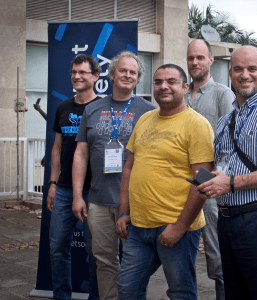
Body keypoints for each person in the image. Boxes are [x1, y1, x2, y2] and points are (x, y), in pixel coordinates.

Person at [197, 45, 257, 300]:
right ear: (230, 72)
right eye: (238, 69)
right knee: (235, 293)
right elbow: (221, 164)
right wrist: (204, 182)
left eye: (252, 69)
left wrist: (230, 184)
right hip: (227, 221)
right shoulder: (225, 119)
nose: (245, 75)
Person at [115, 64, 214, 300]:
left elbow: (203, 180)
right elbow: (129, 168)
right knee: (127, 288)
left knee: (180, 292)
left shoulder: (196, 124)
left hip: (177, 226)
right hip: (139, 227)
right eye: (158, 82)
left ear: (185, 87)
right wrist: (123, 212)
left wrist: (179, 228)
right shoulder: (145, 119)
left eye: (171, 81)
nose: (163, 86)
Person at [72, 51, 156, 300]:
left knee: (134, 264)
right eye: (123, 70)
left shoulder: (149, 112)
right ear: (112, 74)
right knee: (104, 262)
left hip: (133, 203)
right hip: (98, 200)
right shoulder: (93, 108)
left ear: (138, 77)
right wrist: (78, 196)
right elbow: (81, 154)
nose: (128, 75)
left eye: (133, 72)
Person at [48, 54, 100, 300]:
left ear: (96, 76)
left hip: (95, 192)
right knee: (57, 248)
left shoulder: (102, 108)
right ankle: (61, 296)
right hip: (64, 189)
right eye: (74, 72)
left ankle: (95, 296)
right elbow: (57, 147)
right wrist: (52, 183)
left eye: (83, 72)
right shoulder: (63, 108)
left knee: (95, 252)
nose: (77, 76)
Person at [185, 39, 234, 300]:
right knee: (182, 250)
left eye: (200, 58)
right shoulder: (181, 94)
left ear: (211, 60)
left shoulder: (222, 94)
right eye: (191, 58)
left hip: (209, 187)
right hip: (181, 186)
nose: (195, 62)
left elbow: (229, 142)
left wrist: (217, 179)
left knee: (216, 254)